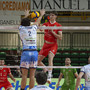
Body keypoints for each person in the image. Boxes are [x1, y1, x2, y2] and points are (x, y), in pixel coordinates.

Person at [19, 9, 45, 90]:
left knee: (24, 75)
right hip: (34, 52)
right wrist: (41, 14)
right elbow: (37, 22)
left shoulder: (21, 29)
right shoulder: (33, 28)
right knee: (32, 75)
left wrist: (26, 15)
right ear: (30, 23)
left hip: (26, 52)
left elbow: (21, 23)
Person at [38, 11, 62, 84]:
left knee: (50, 57)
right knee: (37, 61)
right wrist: (40, 25)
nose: (51, 16)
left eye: (52, 15)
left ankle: (49, 76)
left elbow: (60, 37)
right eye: (50, 15)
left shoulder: (58, 25)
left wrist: (53, 32)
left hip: (53, 45)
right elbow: (41, 28)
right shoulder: (46, 24)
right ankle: (45, 68)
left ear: (55, 16)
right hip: (45, 45)